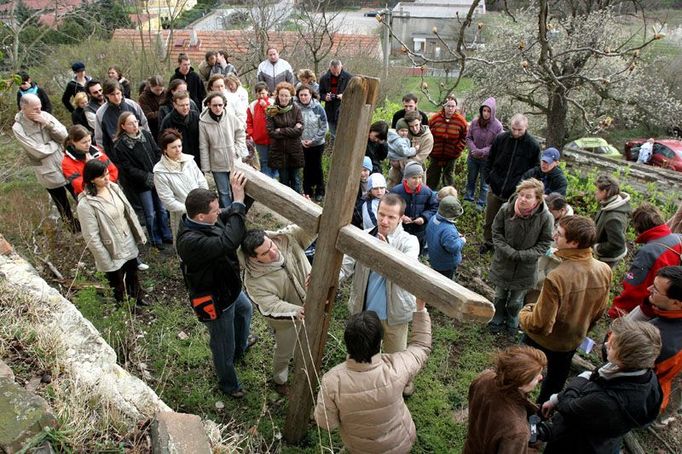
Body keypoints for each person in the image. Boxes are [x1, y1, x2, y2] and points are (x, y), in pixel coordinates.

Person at [314, 298, 432, 453]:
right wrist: (420, 308)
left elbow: (326, 423)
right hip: (400, 445)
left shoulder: (332, 381)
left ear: (347, 342)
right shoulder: (398, 367)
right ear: (380, 341)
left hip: (359, 449)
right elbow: (421, 346)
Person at [520, 215, 612, 404]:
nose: (554, 236)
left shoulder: (558, 277)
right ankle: (543, 412)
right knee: (555, 382)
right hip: (572, 340)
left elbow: (540, 324)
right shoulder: (604, 269)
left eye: (559, 234)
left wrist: (524, 313)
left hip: (542, 341)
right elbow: (600, 310)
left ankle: (517, 407)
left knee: (521, 374)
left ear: (573, 243)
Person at [537, 318, 663, 454]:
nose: (606, 344)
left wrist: (580, 378)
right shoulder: (646, 376)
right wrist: (558, 397)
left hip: (578, 445)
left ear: (626, 358)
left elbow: (568, 407)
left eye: (613, 346)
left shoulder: (607, 402)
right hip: (604, 437)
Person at [176, 183, 255, 398]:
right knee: (222, 345)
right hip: (216, 299)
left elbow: (232, 213)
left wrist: (244, 196)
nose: (219, 212)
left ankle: (241, 348)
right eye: (215, 210)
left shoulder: (206, 219)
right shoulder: (190, 241)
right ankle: (228, 384)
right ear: (201, 216)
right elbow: (228, 241)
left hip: (229, 288)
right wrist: (237, 202)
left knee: (245, 311)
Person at [340, 194, 420, 359]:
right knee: (359, 358)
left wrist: (386, 250)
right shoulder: (364, 236)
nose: (384, 221)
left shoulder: (409, 241)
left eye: (391, 217)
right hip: (364, 314)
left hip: (394, 315)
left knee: (396, 362)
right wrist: (325, 282)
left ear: (400, 219)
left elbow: (407, 270)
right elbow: (345, 266)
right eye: (381, 214)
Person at [239, 225, 316, 396]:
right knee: (284, 351)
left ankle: (302, 364)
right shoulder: (254, 281)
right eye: (265, 254)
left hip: (311, 304)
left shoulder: (287, 238)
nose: (273, 253)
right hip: (287, 321)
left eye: (271, 246)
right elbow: (271, 306)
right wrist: (297, 311)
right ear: (253, 257)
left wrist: (308, 216)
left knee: (306, 342)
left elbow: (310, 228)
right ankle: (280, 379)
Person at [77, 159, 148, 306]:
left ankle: (138, 299)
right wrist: (104, 259)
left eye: (107, 174)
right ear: (92, 179)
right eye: (102, 177)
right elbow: (91, 236)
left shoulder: (113, 188)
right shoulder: (86, 204)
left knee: (132, 272)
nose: (107, 178)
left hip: (126, 239)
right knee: (117, 280)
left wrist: (137, 234)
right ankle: (124, 307)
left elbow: (128, 212)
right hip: (111, 247)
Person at [487, 178, 553, 336]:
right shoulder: (506, 209)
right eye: (521, 195)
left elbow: (545, 243)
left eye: (528, 196)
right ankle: (497, 318)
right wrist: (508, 251)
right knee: (499, 295)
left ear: (538, 199)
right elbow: (496, 232)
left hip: (526, 267)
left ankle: (512, 320)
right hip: (503, 262)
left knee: (516, 301)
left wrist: (523, 255)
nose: (523, 199)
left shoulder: (545, 217)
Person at [463, 346, 547, 454]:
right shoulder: (517, 431)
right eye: (536, 376)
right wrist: (534, 446)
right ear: (521, 383)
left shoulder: (484, 378)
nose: (541, 378)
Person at [13, 94, 79, 231]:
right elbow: (36, 151)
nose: (39, 111)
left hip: (64, 164)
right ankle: (73, 229)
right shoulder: (18, 128)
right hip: (47, 171)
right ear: (23, 108)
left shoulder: (46, 116)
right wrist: (54, 145)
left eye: (40, 107)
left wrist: (48, 125)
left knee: (79, 195)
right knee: (62, 205)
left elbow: (65, 137)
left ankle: (90, 221)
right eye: (35, 109)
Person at [481, 113, 540, 254]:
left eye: (520, 130)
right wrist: (489, 177)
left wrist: (523, 180)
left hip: (515, 191)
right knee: (490, 218)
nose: (516, 132)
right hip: (496, 186)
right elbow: (490, 158)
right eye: (514, 129)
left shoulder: (532, 145)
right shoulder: (501, 139)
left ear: (526, 128)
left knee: (509, 221)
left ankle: (501, 246)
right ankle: (488, 242)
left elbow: (536, 167)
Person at [611, 204, 682, 319]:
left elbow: (633, 289)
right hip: (670, 305)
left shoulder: (648, 252)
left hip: (649, 308)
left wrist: (616, 312)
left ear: (638, 228)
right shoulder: (678, 238)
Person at [113, 112, 172, 251]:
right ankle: (155, 238)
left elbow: (157, 151)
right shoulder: (120, 145)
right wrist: (147, 177)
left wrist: (159, 170)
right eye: (130, 123)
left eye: (135, 121)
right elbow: (127, 168)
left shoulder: (145, 134)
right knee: (150, 212)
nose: (135, 125)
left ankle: (166, 233)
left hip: (157, 176)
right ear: (123, 126)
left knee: (162, 209)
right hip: (141, 183)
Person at [153, 129, 208, 244]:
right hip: (183, 215)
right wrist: (190, 211)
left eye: (179, 146)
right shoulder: (160, 172)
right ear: (164, 149)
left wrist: (204, 201)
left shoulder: (189, 160)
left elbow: (201, 180)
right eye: (173, 147)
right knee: (187, 244)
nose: (178, 150)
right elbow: (168, 201)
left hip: (202, 209)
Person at [199, 92, 247, 208]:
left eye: (220, 105)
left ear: (224, 105)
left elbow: (240, 132)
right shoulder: (203, 123)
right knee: (224, 193)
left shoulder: (230, 116)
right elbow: (203, 145)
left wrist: (238, 150)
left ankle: (239, 213)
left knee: (237, 189)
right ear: (209, 105)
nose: (218, 108)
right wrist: (206, 167)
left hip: (234, 161)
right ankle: (228, 217)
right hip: (217, 164)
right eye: (214, 105)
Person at [645, 266, 682, 417]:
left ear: (676, 304)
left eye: (655, 290)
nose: (648, 289)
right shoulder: (668, 319)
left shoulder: (661, 341)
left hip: (646, 396)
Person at [390, 162, 438, 254]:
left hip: (419, 231)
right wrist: (401, 216)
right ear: (406, 178)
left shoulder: (427, 191)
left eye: (420, 177)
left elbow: (434, 207)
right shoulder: (396, 191)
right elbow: (390, 207)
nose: (417, 181)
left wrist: (424, 217)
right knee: (399, 251)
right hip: (401, 229)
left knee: (416, 252)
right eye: (414, 178)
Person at [464, 97, 503, 210]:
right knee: (471, 179)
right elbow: (468, 137)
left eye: (488, 111)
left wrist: (482, 151)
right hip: (473, 157)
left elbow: (496, 145)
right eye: (484, 110)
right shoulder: (475, 122)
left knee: (484, 183)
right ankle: (468, 200)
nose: (486, 113)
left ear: (493, 112)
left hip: (487, 160)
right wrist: (473, 149)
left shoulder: (498, 126)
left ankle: (481, 203)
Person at [95, 79, 149, 158]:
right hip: (118, 155)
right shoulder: (101, 113)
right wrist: (105, 158)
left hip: (139, 149)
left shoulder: (132, 105)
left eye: (118, 93)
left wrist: (148, 144)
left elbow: (144, 124)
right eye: (112, 94)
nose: (116, 97)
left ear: (121, 92)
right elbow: (100, 139)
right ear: (106, 95)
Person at [266, 82, 304, 192]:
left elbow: (300, 130)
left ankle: (298, 205)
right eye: (281, 95)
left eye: (286, 95)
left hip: (294, 151)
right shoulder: (271, 110)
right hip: (279, 151)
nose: (283, 98)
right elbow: (271, 132)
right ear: (277, 95)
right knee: (283, 181)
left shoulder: (296, 109)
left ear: (291, 96)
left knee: (296, 179)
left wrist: (281, 130)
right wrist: (292, 129)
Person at [62, 125, 119, 195]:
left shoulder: (97, 151)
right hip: (91, 197)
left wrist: (106, 185)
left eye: (89, 140)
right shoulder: (67, 163)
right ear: (73, 142)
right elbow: (80, 186)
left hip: (110, 189)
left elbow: (113, 171)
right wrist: (90, 166)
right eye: (84, 142)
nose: (88, 144)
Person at [427, 96, 467, 190]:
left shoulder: (461, 121)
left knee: (448, 179)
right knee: (432, 178)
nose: (450, 108)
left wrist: (457, 150)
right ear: (444, 106)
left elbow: (465, 137)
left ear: (456, 107)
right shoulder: (434, 119)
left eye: (453, 106)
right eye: (448, 106)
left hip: (451, 156)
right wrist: (430, 149)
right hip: (435, 155)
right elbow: (427, 134)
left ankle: (448, 198)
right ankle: (430, 196)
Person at [295, 84, 328, 200]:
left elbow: (324, 126)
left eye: (306, 95)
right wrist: (301, 140)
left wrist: (314, 140)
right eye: (301, 95)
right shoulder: (296, 108)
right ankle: (307, 190)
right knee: (306, 167)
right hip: (302, 143)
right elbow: (293, 125)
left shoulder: (318, 107)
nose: (303, 97)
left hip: (317, 144)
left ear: (311, 95)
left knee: (317, 167)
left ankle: (320, 190)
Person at [593, 175, 631, 268]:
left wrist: (597, 248)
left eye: (597, 190)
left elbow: (616, 244)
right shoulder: (608, 204)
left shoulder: (613, 218)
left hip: (607, 260)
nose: (595, 192)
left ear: (605, 192)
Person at [425, 196, 465, 280]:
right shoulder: (448, 229)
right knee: (446, 281)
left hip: (435, 259)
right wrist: (462, 240)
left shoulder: (433, 219)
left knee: (437, 277)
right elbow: (453, 247)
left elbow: (440, 233)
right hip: (446, 264)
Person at [159, 91, 201, 165]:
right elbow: (163, 142)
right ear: (175, 105)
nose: (185, 108)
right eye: (182, 105)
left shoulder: (196, 116)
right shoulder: (168, 121)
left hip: (196, 158)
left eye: (187, 105)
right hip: (178, 160)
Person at [247, 82, 277, 179]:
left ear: (267, 92)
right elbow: (249, 122)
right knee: (264, 161)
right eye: (259, 93)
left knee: (274, 159)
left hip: (273, 138)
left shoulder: (273, 103)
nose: (261, 96)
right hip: (259, 139)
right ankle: (267, 180)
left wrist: (265, 106)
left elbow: (274, 116)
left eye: (263, 93)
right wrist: (252, 133)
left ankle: (276, 179)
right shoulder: (252, 105)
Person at [319, 59, 352, 139]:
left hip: (344, 108)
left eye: (338, 72)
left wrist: (344, 96)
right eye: (334, 72)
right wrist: (325, 97)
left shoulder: (349, 78)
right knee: (333, 134)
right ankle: (334, 149)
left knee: (343, 133)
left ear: (342, 67)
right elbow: (320, 93)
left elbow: (354, 93)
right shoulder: (324, 78)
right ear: (330, 68)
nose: (336, 74)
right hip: (330, 109)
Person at [387, 118, 417, 187]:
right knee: (404, 176)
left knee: (394, 178)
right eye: (402, 131)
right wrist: (414, 149)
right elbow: (405, 152)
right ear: (397, 131)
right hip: (399, 160)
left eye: (406, 131)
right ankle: (403, 186)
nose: (404, 133)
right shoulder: (399, 141)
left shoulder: (395, 138)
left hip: (396, 160)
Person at [138, 75, 166, 139]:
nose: (159, 92)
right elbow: (148, 116)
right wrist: (163, 112)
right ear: (150, 87)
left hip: (165, 127)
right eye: (156, 90)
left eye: (161, 89)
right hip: (152, 128)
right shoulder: (143, 97)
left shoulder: (166, 94)